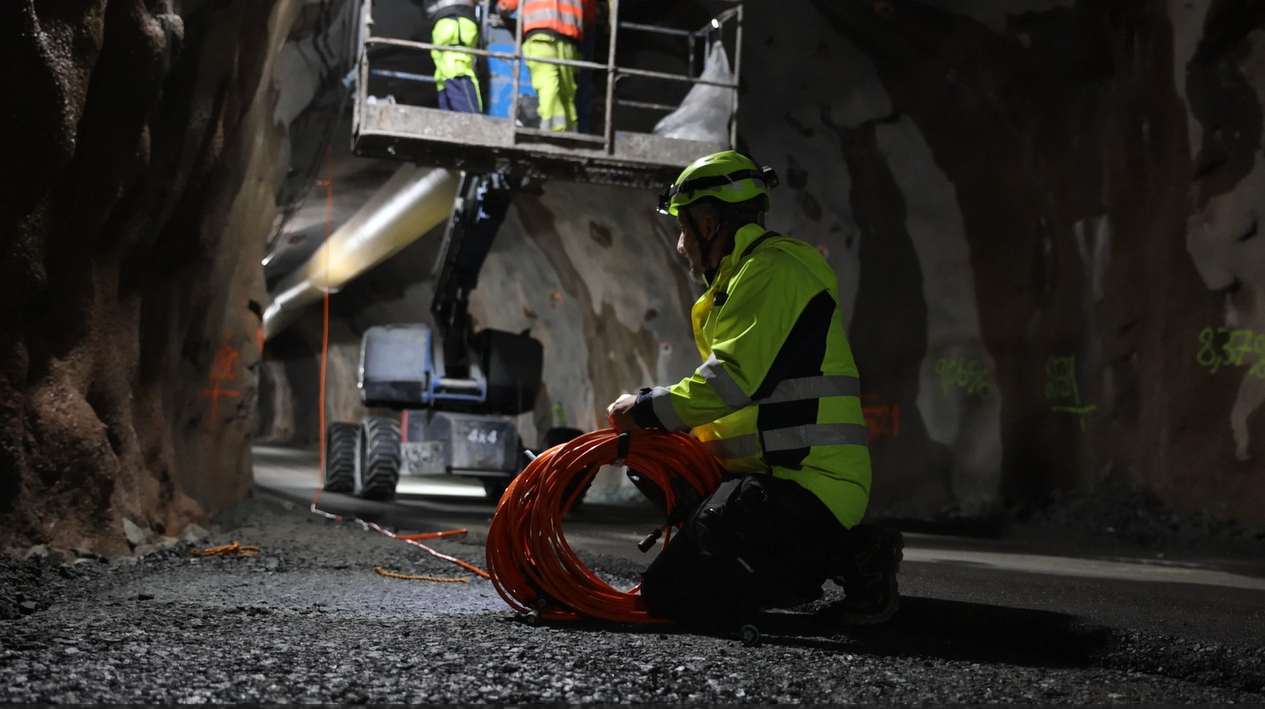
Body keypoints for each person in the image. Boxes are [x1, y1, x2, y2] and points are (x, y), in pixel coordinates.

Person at [605, 151, 904, 626]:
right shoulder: (741, 277)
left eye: (683, 230)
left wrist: (645, 408)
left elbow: (733, 380)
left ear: (707, 223)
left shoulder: (772, 271)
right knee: (654, 464)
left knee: (672, 595)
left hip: (808, 486)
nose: (681, 246)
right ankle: (773, 562)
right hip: (768, 479)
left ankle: (854, 556)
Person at [496, 0, 596, 131]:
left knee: (547, 84)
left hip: (541, 36)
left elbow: (506, 6)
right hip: (569, 42)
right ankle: (570, 133)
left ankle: (553, 131)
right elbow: (589, 16)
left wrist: (500, 10)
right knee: (567, 92)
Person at [427, 0, 482, 113]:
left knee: (456, 70)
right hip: (447, 21)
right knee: (444, 76)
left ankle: (471, 123)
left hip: (455, 20)